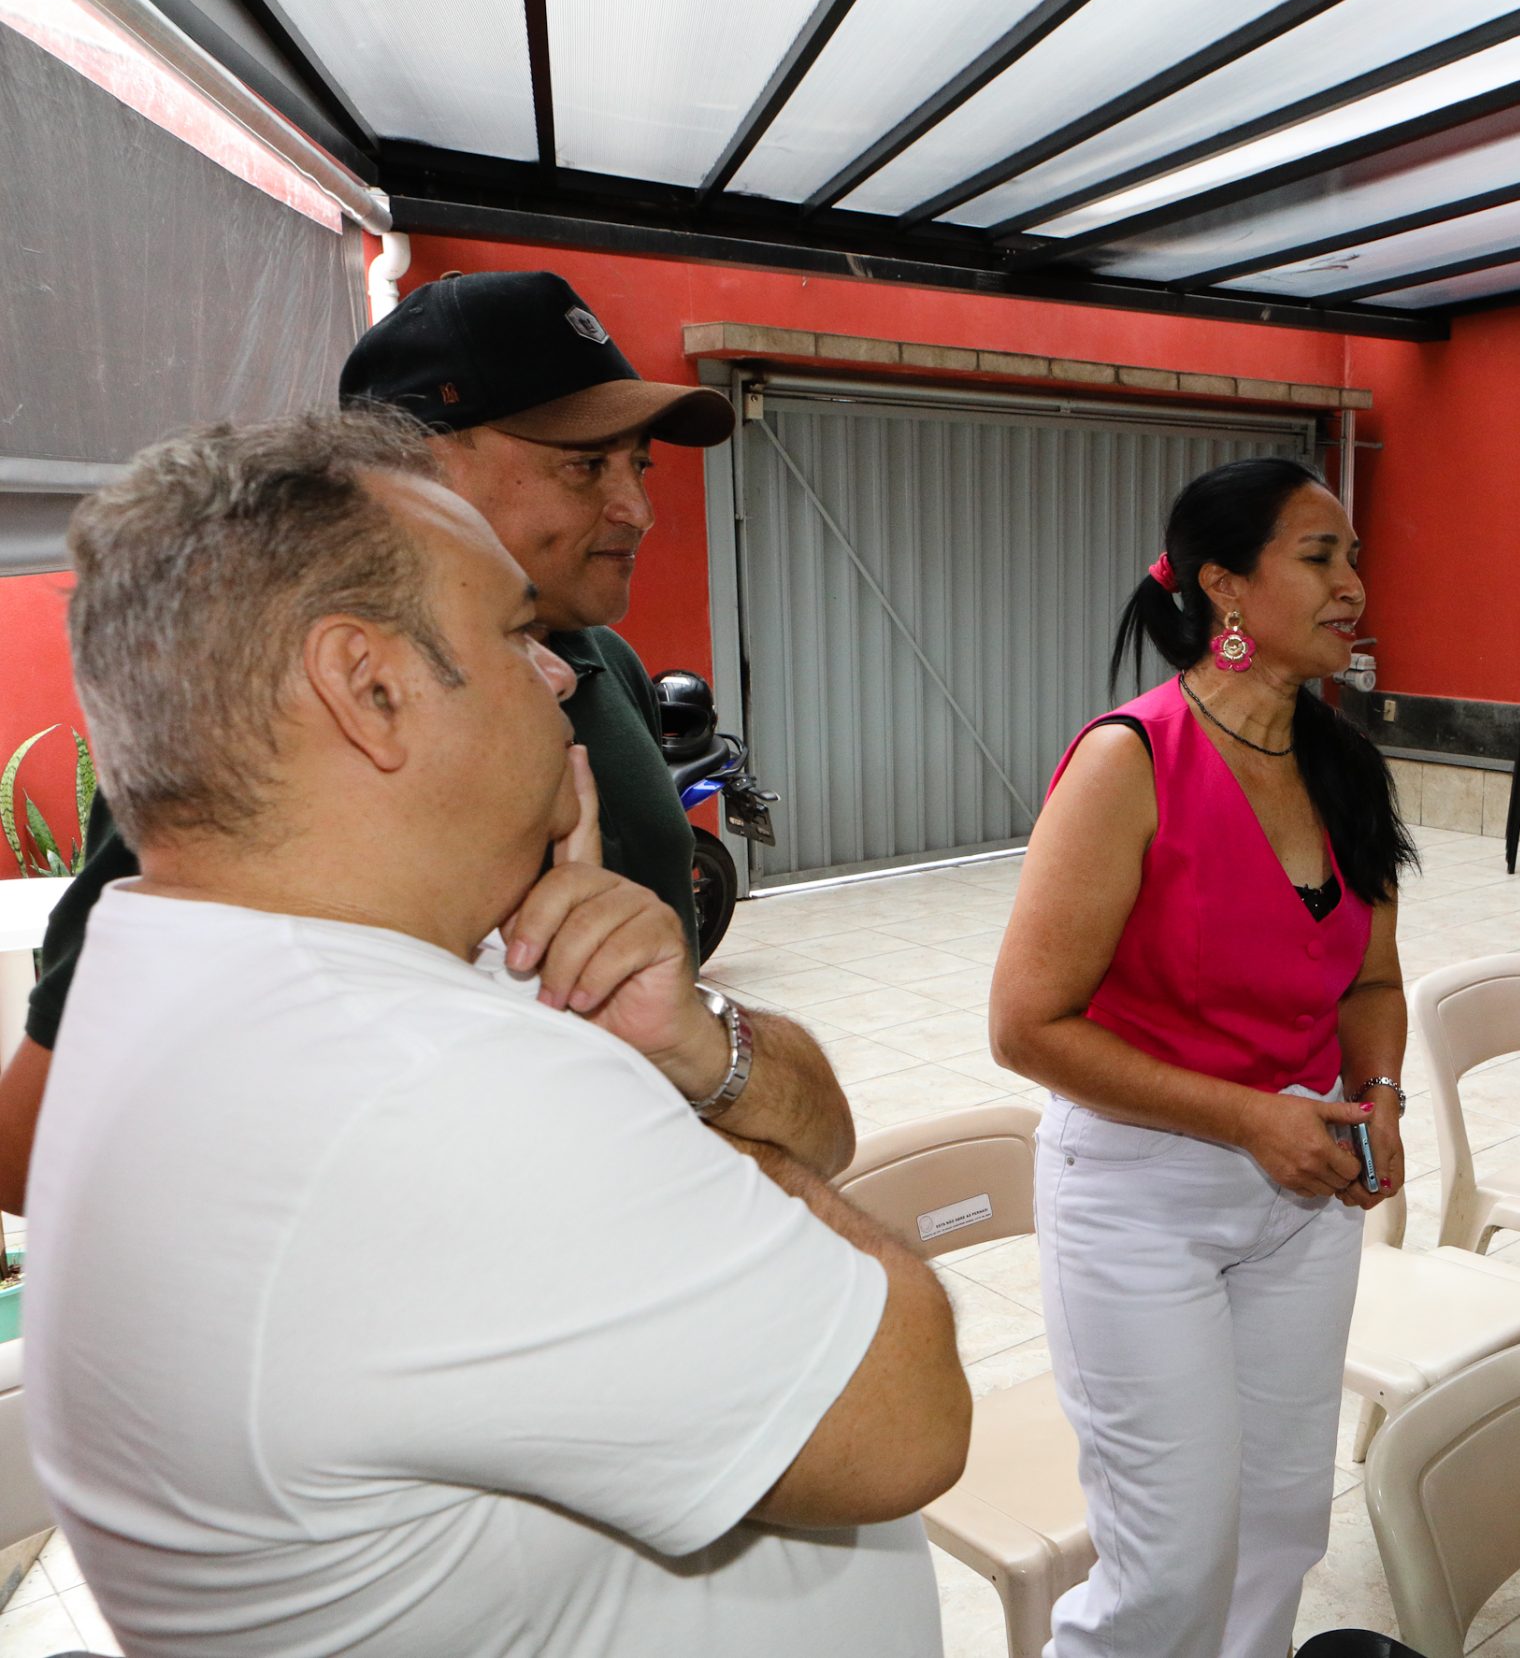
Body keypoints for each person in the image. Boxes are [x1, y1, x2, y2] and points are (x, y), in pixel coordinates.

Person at [27, 413, 969, 1654]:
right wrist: (601, 1068)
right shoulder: (423, 1087)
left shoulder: (193, 964)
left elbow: (821, 1130)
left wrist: (685, 1042)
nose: (564, 672)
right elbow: (910, 1417)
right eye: (517, 631)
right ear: (369, 688)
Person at [0, 268, 784, 1215]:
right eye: (585, 464)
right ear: (415, 471)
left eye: (639, 466)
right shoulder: (278, 729)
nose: (638, 509)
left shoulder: (603, 660)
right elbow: (40, 1143)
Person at [988, 457, 1415, 1657]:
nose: (1354, 585)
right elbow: (1026, 1024)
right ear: (1226, 586)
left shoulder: (1340, 766)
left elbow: (1371, 979)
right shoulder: (1131, 759)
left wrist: (1375, 1092)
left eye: (1351, 556)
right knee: (1169, 1564)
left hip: (1304, 1189)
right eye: (1318, 556)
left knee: (1281, 1522)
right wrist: (1246, 1117)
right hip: (1140, 1197)